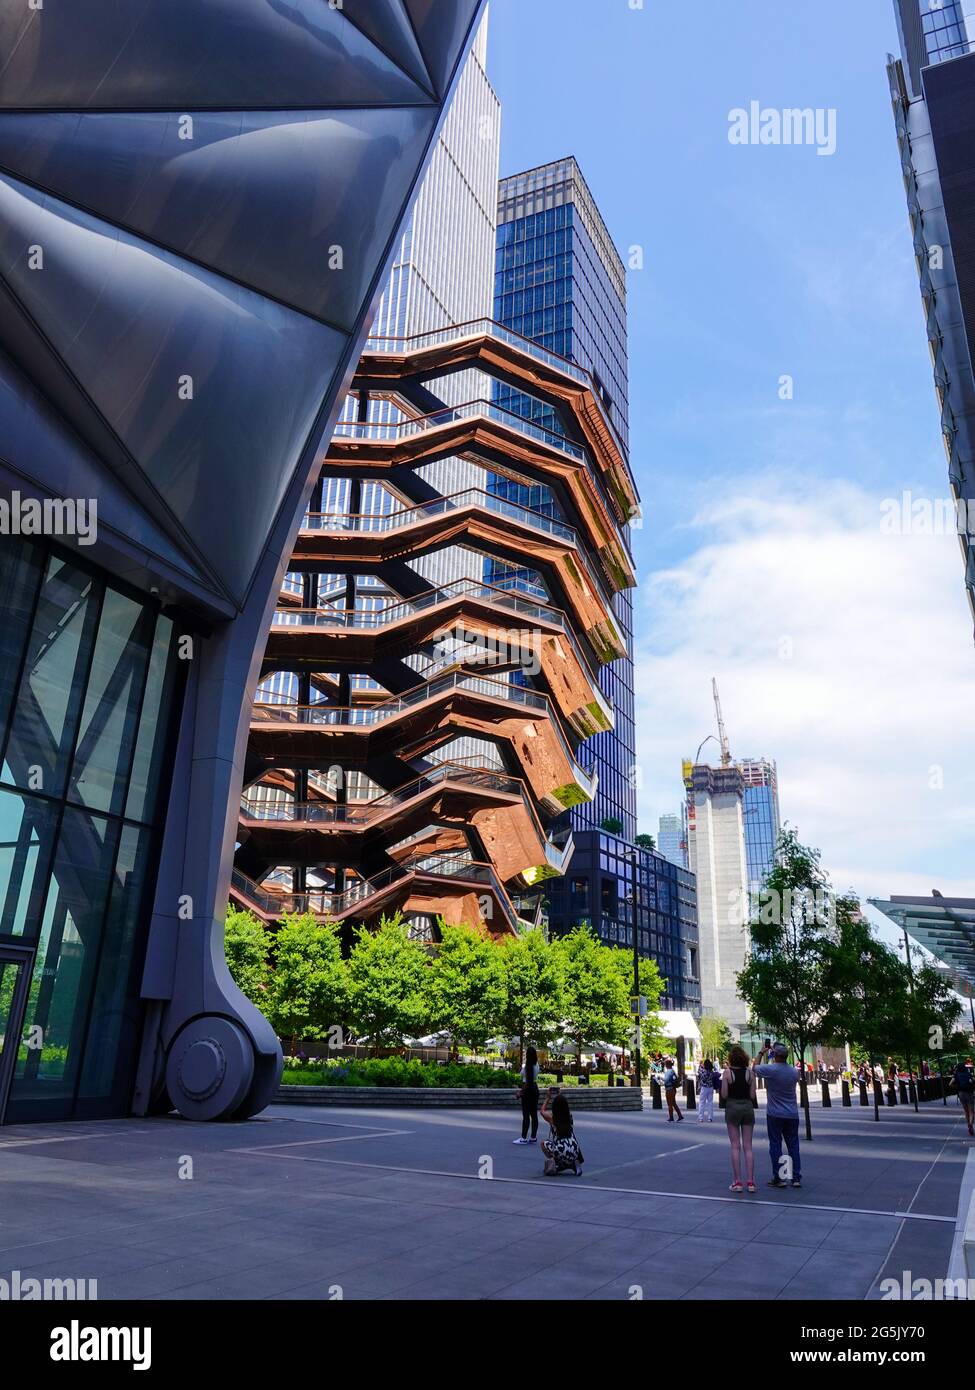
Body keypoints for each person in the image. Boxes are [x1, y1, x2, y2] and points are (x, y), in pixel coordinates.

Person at [754, 1042, 802, 1190]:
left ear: (774, 1055)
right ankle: (795, 1178)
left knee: (775, 1145)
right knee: (793, 1145)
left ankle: (780, 1177)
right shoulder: (794, 1072)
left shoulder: (770, 1069)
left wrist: (762, 1052)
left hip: (775, 1113)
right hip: (792, 1113)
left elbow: (754, 1068)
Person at [720, 1045, 757, 1193]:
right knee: (748, 1146)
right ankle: (751, 1182)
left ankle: (737, 1182)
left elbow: (723, 1095)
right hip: (748, 1108)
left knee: (735, 1146)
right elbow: (753, 1096)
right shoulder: (750, 1073)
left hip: (732, 1108)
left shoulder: (728, 1073)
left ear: (731, 1058)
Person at [540, 1088, 584, 1175]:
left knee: (543, 1144)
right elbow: (563, 1107)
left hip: (561, 1149)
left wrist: (548, 1098)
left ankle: (556, 1164)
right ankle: (572, 1164)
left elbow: (542, 1112)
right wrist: (560, 1095)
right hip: (574, 1149)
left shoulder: (553, 1119)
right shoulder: (569, 1117)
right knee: (564, 1152)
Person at [514, 1045, 540, 1144]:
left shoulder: (526, 1067)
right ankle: (533, 1137)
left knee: (526, 1115)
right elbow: (531, 1081)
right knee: (534, 1115)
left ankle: (523, 1138)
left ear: (527, 1055)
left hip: (527, 1091)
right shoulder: (536, 1065)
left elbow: (526, 1083)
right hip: (535, 1089)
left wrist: (520, 1093)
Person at [949, 1057, 975, 1137]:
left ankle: (968, 1125)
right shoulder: (968, 1074)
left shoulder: (956, 1075)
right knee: (971, 1110)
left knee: (966, 1111)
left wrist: (957, 1087)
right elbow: (973, 1081)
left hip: (961, 1093)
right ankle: (971, 1124)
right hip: (969, 1093)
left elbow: (950, 1084)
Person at [662, 1056, 683, 1122]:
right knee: (674, 1103)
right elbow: (673, 1079)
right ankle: (680, 1115)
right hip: (673, 1089)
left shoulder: (668, 1072)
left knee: (670, 1104)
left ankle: (671, 1117)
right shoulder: (673, 1071)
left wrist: (661, 1080)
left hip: (669, 1089)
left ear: (666, 1065)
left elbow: (666, 1080)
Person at [697, 1057, 718, 1122]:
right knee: (710, 1103)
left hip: (704, 1088)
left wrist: (700, 1066)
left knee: (702, 1102)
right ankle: (710, 1117)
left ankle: (701, 1117)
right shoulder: (712, 1072)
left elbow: (699, 1074)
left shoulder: (703, 1072)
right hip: (711, 1088)